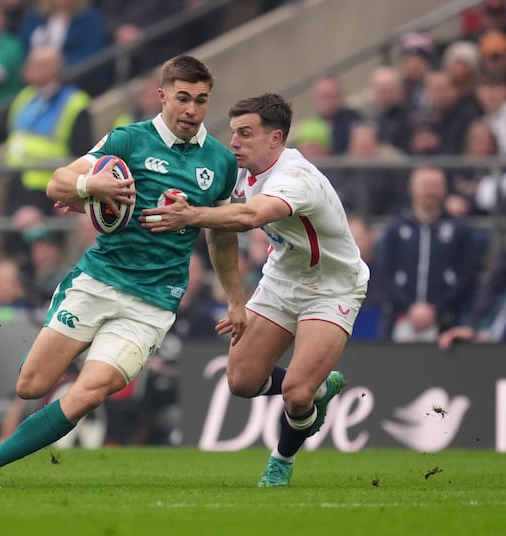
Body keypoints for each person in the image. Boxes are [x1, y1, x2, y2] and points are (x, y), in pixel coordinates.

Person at [0, 55, 244, 489]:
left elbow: (221, 236)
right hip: (98, 281)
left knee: (89, 391)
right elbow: (57, 183)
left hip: (152, 303)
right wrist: (92, 187)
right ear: (163, 96)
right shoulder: (128, 141)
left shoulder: (220, 162)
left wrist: (235, 299)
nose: (191, 110)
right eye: (183, 98)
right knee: (31, 386)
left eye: (201, 101)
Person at [140, 93, 369, 488]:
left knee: (297, 395)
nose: (234, 143)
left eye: (245, 134)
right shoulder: (240, 170)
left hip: (332, 288)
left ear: (276, 138)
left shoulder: (297, 179)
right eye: (233, 133)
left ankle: (281, 461)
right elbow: (213, 205)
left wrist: (191, 215)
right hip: (282, 280)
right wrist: (235, 300)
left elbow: (250, 216)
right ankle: (318, 385)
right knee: (242, 381)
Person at [375, 166, 483, 342]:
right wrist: (410, 307)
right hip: (399, 319)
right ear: (411, 188)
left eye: (437, 185)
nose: (431, 191)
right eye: (426, 185)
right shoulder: (394, 230)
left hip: (447, 323)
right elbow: (384, 273)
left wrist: (437, 309)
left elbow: (468, 276)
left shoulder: (460, 232)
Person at [3, 45, 92, 213]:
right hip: (16, 184)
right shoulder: (25, 96)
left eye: (37, 64)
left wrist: (72, 193)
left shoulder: (75, 102)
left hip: (49, 188)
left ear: (54, 70)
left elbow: (83, 152)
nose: (28, 68)